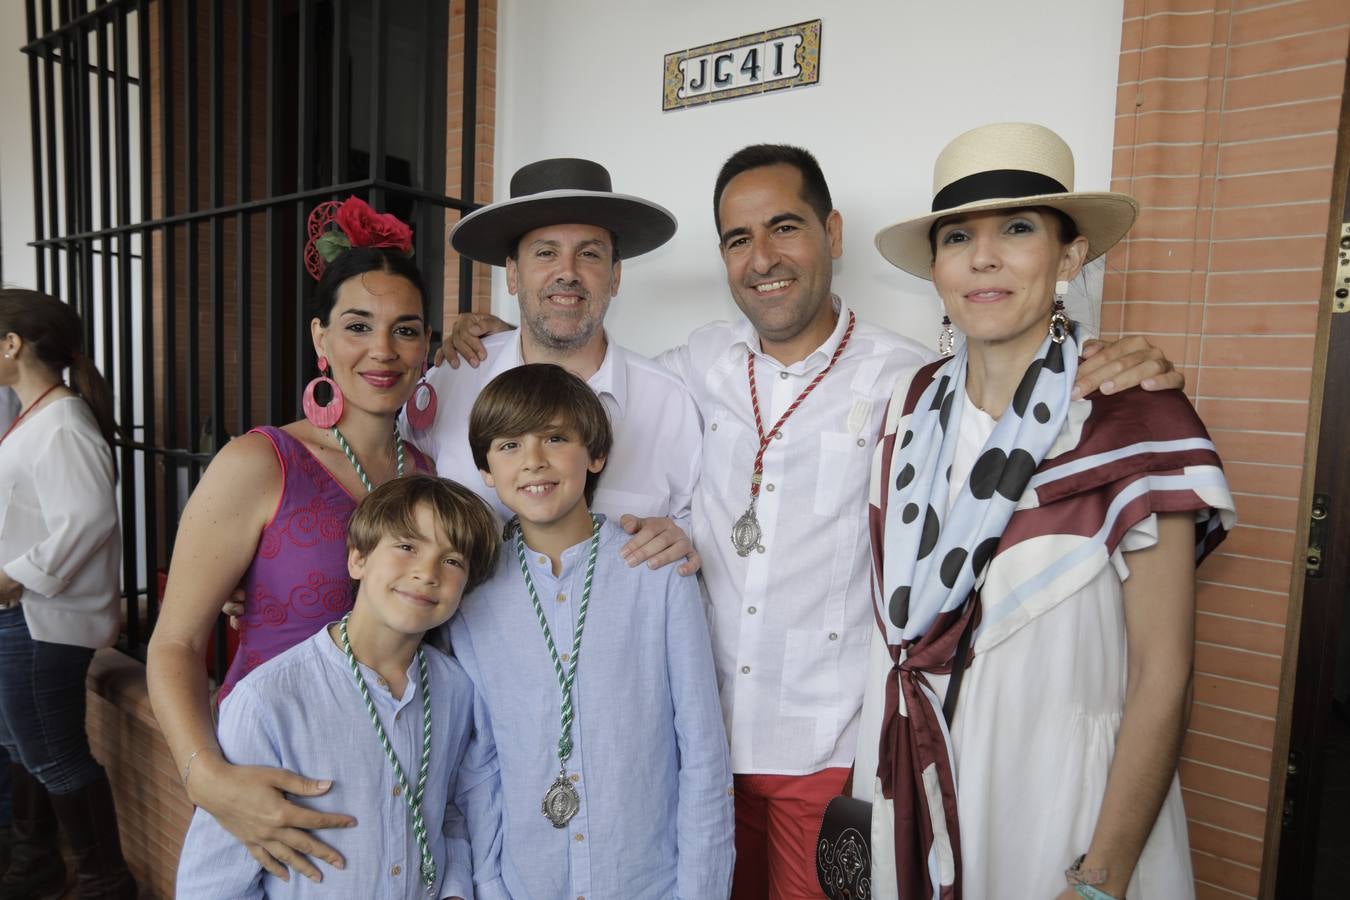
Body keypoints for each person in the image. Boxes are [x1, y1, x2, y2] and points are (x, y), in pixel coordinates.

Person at [444, 143, 1186, 899]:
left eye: (785, 228)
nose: (763, 258)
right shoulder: (692, 368)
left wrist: (1114, 359)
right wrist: (478, 342)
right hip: (690, 750)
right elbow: (579, 379)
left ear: (832, 233)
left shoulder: (911, 382)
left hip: (831, 751)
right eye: (739, 240)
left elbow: (1016, 394)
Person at [855, 122, 1237, 900]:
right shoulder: (906, 405)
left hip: (1062, 806)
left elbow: (1164, 673)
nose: (984, 257)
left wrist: (1101, 875)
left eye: (1018, 229)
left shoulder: (1134, 419)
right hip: (912, 771)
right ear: (936, 267)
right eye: (959, 235)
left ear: (1070, 256)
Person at [147, 198, 437, 885]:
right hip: (272, 778)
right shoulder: (260, 462)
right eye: (358, 326)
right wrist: (207, 779)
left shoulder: (428, 474)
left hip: (399, 775)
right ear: (320, 338)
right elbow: (175, 644)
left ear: (427, 344)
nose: (383, 350)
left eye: (406, 330)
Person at [452, 363, 734, 899]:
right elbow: (479, 761)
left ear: (595, 454)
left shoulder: (656, 572)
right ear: (486, 469)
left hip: (648, 882)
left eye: (555, 438)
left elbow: (701, 750)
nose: (533, 460)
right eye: (508, 445)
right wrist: (488, 885)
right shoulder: (474, 597)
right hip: (527, 883)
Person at [176, 474, 501, 899]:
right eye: (406, 547)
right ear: (357, 560)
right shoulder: (268, 701)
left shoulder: (457, 690)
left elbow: (449, 812)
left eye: (453, 560)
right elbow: (210, 887)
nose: (427, 573)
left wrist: (455, 889)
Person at [412, 157, 703, 574]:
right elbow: (389, 466)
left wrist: (686, 537)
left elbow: (702, 525)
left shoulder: (668, 403)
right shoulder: (455, 378)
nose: (567, 273)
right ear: (512, 275)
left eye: (588, 254)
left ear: (616, 276)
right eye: (546, 253)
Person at [0, 290, 136, 898]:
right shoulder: (37, 415)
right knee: (23, 745)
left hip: (39, 620)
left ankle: (104, 882)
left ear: (12, 346)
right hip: (24, 618)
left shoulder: (62, 421)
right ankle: (36, 868)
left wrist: (13, 576)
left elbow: (87, 518)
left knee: (55, 753)